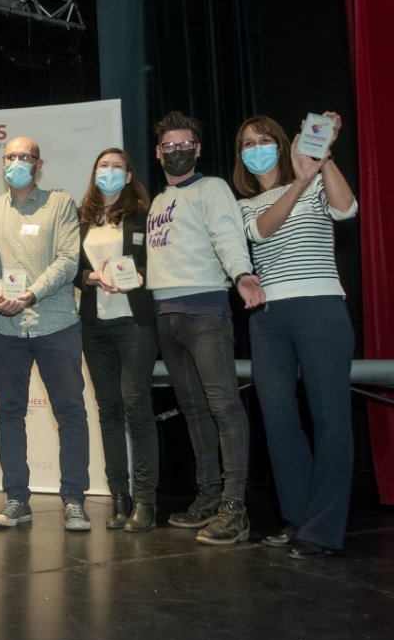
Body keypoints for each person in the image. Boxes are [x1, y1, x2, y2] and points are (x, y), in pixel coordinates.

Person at [232, 112, 357, 559]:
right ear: (241, 155)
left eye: (265, 139)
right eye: (248, 143)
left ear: (284, 144)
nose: (257, 147)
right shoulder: (242, 204)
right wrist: (299, 185)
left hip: (320, 306)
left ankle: (322, 530)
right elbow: (261, 232)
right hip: (267, 317)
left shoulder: (317, 177)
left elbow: (347, 210)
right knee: (280, 419)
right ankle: (299, 519)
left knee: (329, 417)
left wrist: (322, 158)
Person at [145, 110, 265, 545]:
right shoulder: (158, 202)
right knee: (193, 411)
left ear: (196, 149)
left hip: (205, 311)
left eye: (184, 145)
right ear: (158, 153)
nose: (176, 151)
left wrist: (242, 274)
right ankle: (209, 495)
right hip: (166, 315)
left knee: (224, 407)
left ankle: (236, 507)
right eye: (168, 146)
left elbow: (227, 235)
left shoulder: (212, 189)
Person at [0, 136, 93, 532]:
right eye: (11, 157)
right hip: (4, 326)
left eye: (25, 157)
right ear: (3, 162)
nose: (17, 162)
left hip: (56, 323)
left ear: (38, 164)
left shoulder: (60, 203)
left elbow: (68, 260)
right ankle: (16, 499)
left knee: (70, 413)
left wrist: (30, 294)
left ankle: (74, 500)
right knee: (9, 413)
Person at [74, 148, 159, 532]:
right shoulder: (81, 218)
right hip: (95, 325)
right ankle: (119, 498)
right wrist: (92, 277)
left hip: (134, 322)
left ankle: (146, 500)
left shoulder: (145, 212)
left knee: (136, 406)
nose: (109, 172)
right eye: (102, 167)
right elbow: (72, 269)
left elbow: (160, 259)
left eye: (117, 167)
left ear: (128, 176)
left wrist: (136, 272)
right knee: (108, 409)